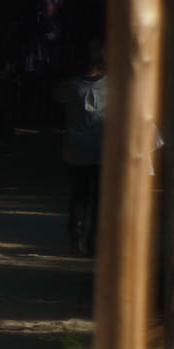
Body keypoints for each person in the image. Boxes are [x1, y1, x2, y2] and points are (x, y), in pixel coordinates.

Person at [52, 44, 106, 256]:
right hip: (102, 150)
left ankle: (76, 236)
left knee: (79, 196)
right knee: (99, 199)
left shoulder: (70, 86)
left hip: (76, 150)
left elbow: (55, 95)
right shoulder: (113, 86)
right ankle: (95, 241)